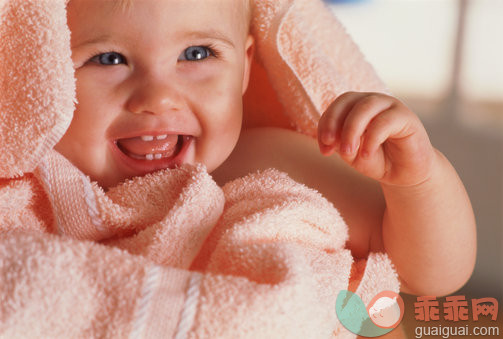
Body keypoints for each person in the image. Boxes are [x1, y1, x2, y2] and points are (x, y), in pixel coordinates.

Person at [0, 0, 476, 336]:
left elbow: (432, 275)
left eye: (197, 54)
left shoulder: (268, 161)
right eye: (110, 58)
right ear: (46, 70)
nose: (158, 97)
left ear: (245, 67)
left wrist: (418, 180)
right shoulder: (27, 193)